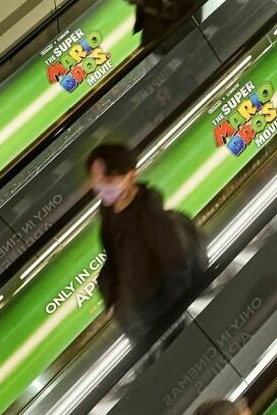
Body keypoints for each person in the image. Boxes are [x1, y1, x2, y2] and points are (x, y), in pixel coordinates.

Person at [87, 142, 206, 347]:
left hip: (163, 325)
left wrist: (163, 325)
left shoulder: (153, 220)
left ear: (130, 175)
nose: (101, 187)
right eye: (97, 180)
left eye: (109, 179)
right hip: (140, 323)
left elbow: (179, 272)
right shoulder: (109, 218)